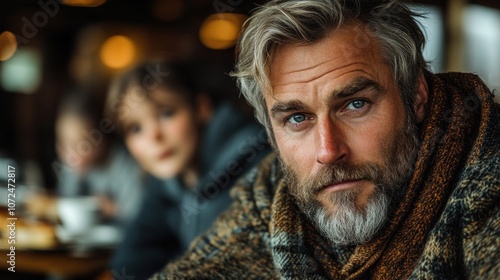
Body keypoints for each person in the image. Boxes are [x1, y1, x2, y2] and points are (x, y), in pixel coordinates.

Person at [150, 0, 500, 279]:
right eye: (297, 118)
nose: (328, 151)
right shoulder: (270, 196)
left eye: (355, 104)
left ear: (417, 95)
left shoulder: (487, 176)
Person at [106, 60, 270, 279]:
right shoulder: (167, 181)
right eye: (136, 128)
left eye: (166, 114)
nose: (154, 136)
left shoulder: (257, 164)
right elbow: (131, 261)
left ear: (201, 108)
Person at [25, 89, 144, 230]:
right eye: (63, 144)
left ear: (103, 138)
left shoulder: (127, 165)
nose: (69, 154)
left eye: (81, 145)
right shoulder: (72, 162)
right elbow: (65, 203)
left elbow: (141, 217)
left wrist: (114, 209)